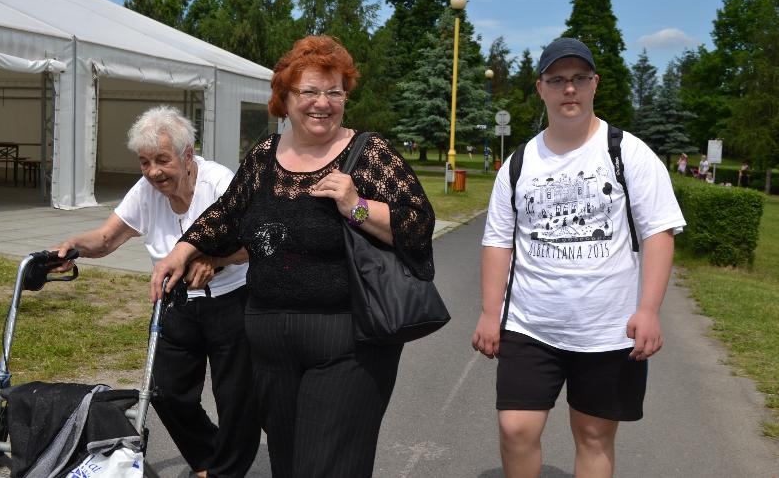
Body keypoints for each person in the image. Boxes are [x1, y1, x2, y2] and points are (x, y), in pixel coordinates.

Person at [151, 35, 435, 478]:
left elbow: (418, 225)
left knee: (328, 466)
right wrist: (182, 250)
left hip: (349, 339)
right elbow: (228, 214)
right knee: (288, 462)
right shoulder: (265, 155)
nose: (323, 103)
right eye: (310, 91)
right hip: (269, 341)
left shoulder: (369, 153)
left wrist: (356, 206)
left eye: (334, 91)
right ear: (284, 98)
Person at [472, 37, 686, 478]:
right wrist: (490, 314)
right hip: (530, 325)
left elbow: (659, 233)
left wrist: (649, 310)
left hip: (607, 329)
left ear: (594, 84)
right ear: (541, 88)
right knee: (515, 429)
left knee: (593, 436)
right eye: (557, 80)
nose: (569, 88)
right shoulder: (519, 163)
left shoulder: (628, 153)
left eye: (579, 78)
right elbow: (498, 242)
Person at [54, 106, 259, 478]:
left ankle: (226, 471)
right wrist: (74, 246)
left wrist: (215, 259)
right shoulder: (146, 191)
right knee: (166, 391)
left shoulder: (220, 183)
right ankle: (209, 458)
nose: (153, 172)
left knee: (236, 399)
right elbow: (107, 238)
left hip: (231, 300)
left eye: (162, 160)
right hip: (176, 302)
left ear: (187, 155)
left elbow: (256, 242)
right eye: (144, 162)